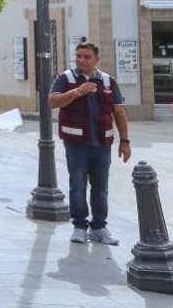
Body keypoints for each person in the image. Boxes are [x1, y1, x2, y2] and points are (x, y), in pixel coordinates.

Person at [49, 42, 131, 244]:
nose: (81, 60)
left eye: (86, 57)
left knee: (101, 187)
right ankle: (79, 226)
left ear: (96, 60)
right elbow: (52, 102)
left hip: (102, 145)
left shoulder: (108, 81)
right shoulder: (65, 78)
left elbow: (119, 113)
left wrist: (125, 141)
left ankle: (99, 227)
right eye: (78, 56)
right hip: (76, 144)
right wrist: (78, 91)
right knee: (77, 185)